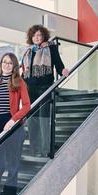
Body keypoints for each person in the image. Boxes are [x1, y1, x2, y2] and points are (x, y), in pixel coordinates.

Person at [0, 53, 31, 195]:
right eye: (4, 62)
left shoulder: (19, 83)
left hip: (13, 125)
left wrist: (13, 120)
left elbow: (26, 105)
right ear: (1, 65)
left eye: (10, 63)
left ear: (14, 66)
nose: (6, 65)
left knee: (13, 164)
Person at [21, 24, 69, 157]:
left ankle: (45, 149)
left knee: (43, 119)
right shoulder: (28, 51)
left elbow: (58, 63)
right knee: (32, 120)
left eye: (39, 35)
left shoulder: (51, 47)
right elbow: (24, 71)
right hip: (30, 89)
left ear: (44, 36)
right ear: (31, 37)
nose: (37, 38)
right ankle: (34, 149)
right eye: (34, 35)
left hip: (45, 87)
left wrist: (62, 70)